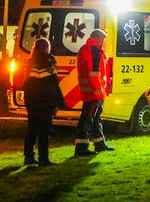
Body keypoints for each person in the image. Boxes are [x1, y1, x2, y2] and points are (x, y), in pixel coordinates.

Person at [23, 38, 65, 166]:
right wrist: (59, 101)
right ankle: (43, 159)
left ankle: (28, 157)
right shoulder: (48, 62)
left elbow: (26, 84)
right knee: (44, 131)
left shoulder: (29, 63)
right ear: (47, 48)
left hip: (31, 101)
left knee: (32, 129)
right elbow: (52, 85)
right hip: (45, 102)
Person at [74, 29, 114, 157]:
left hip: (89, 91)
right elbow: (94, 74)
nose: (103, 43)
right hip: (93, 93)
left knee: (95, 117)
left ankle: (100, 143)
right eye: (103, 40)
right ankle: (81, 147)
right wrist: (99, 94)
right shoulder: (94, 51)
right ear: (98, 38)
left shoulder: (85, 49)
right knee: (87, 118)